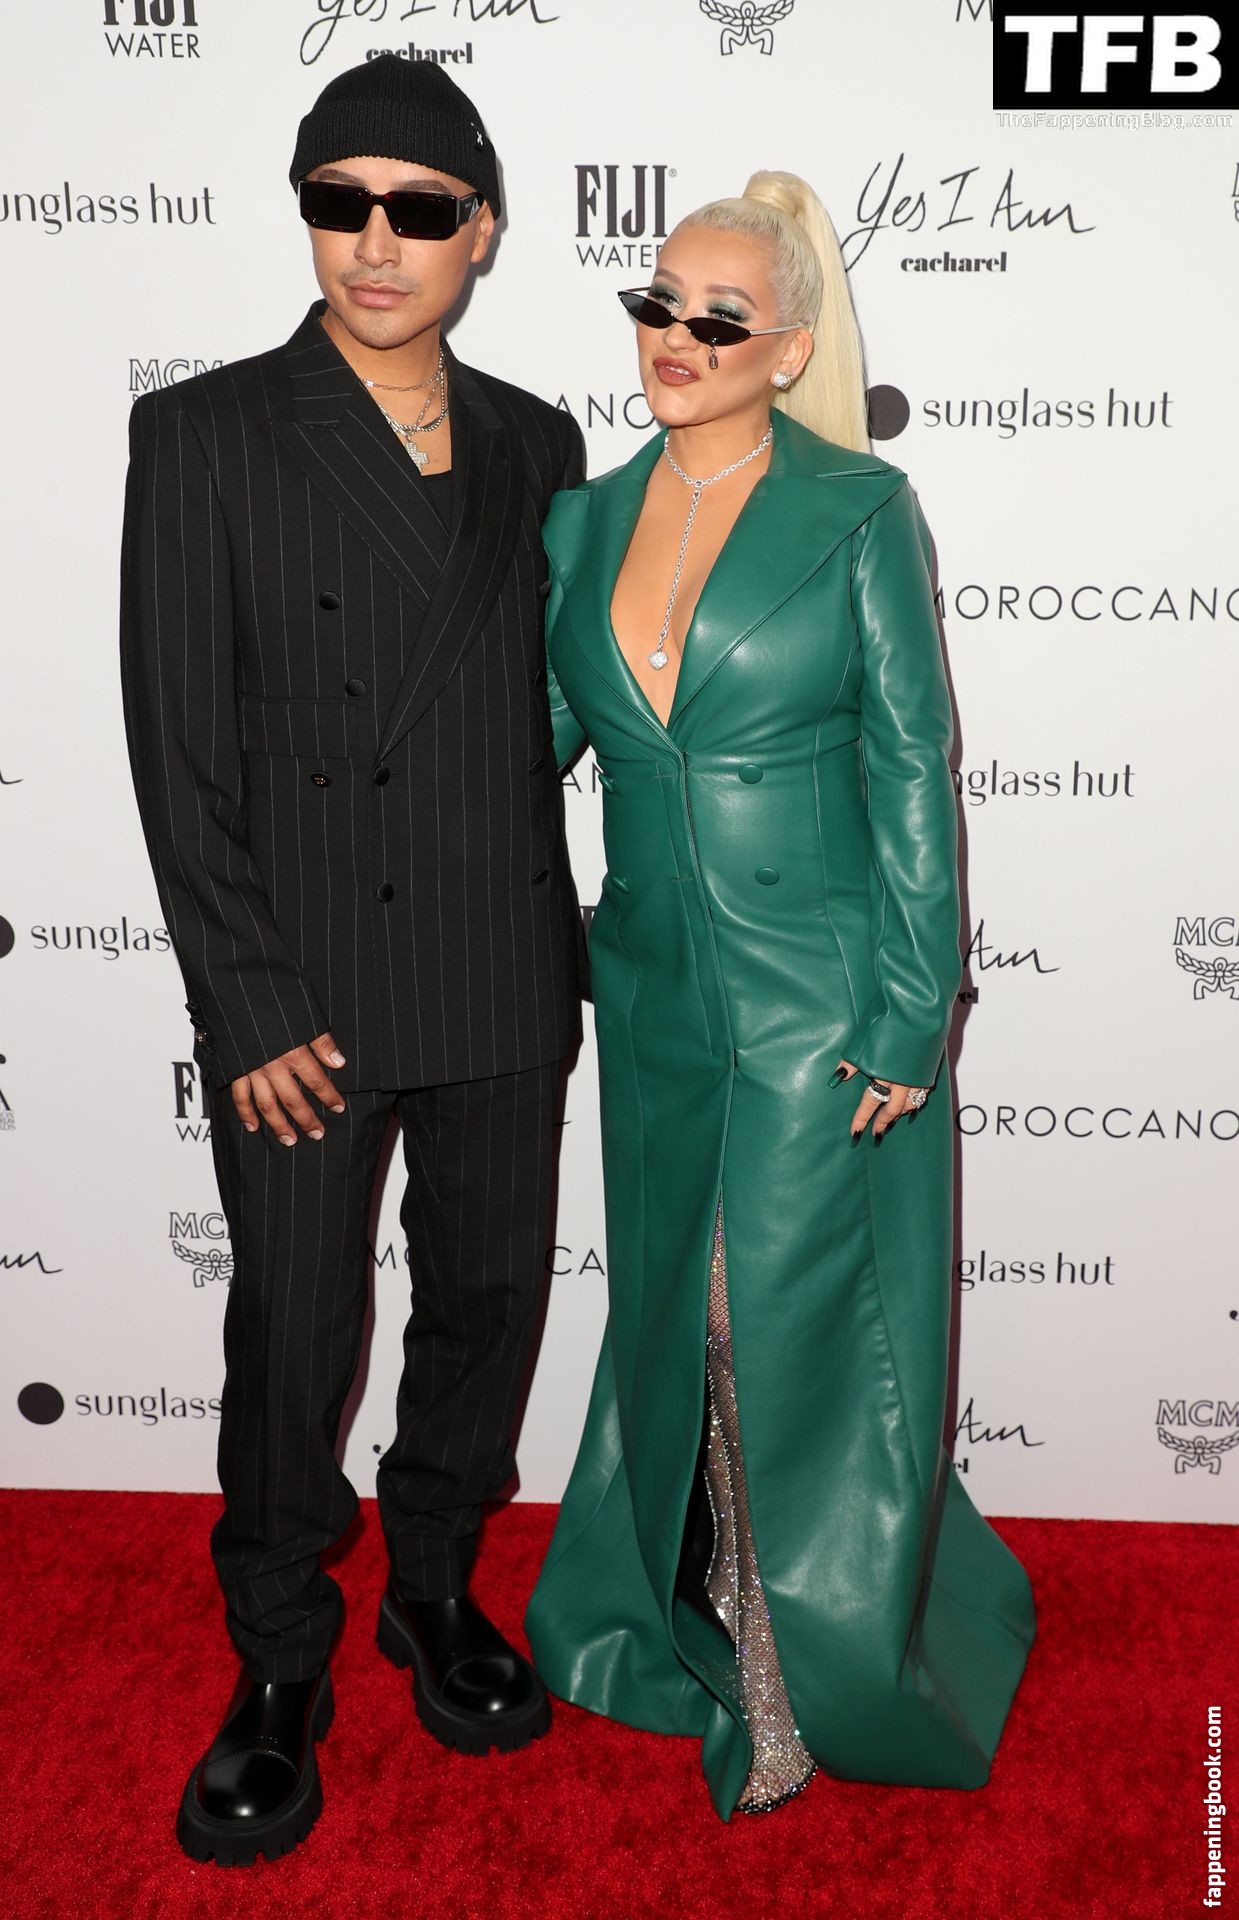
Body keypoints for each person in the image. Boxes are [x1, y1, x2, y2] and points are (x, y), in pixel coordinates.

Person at [524, 171, 1036, 1819]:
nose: (675, 337)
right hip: (657, 1006)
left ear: (787, 348)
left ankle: (786, 1681)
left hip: (824, 1002)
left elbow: (913, 764)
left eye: (718, 318)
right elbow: (529, 751)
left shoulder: (859, 510)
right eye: (657, 305)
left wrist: (912, 1007)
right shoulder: (581, 523)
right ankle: (702, 1608)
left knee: (777, 1331)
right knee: (680, 1323)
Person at [119, 56, 584, 1867]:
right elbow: (178, 754)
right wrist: (244, 1001)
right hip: (301, 996)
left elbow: (560, 705)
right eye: (340, 202)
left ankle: (437, 1582)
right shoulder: (207, 432)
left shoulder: (539, 442)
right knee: (295, 1332)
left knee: (488, 1300)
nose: (374, 243)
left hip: (496, 965)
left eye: (417, 210)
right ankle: (279, 1656)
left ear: (481, 232)